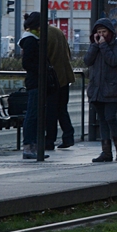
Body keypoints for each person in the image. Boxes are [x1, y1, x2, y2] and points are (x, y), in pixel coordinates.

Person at [85, 18, 117, 162]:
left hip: (111, 89)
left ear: (110, 32)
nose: (101, 35)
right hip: (97, 89)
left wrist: (103, 45)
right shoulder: (94, 45)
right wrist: (95, 46)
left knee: (110, 117)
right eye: (98, 32)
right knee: (102, 119)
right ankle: (106, 152)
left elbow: (114, 60)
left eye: (104, 32)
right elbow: (87, 61)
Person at [19, 12, 58, 160]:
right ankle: (29, 146)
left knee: (36, 115)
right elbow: (27, 63)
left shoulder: (33, 39)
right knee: (33, 115)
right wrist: (42, 69)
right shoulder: (30, 40)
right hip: (35, 82)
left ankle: (33, 146)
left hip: (37, 82)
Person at [47, 20, 75, 149]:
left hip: (52, 78)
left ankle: (49, 140)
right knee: (62, 109)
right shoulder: (57, 31)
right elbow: (68, 53)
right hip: (64, 76)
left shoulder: (43, 34)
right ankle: (68, 136)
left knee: (51, 110)